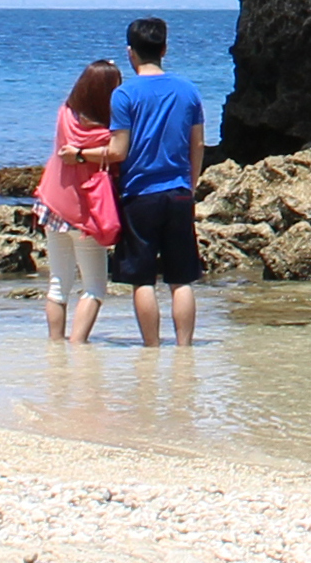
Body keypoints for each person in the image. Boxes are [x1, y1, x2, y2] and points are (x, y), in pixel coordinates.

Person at [107, 19, 208, 345]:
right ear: (164, 49)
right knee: (181, 280)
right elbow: (198, 144)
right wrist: (191, 184)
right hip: (178, 192)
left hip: (140, 195)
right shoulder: (188, 90)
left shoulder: (124, 95)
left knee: (143, 280)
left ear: (129, 53)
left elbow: (119, 150)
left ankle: (151, 347)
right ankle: (184, 348)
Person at [38, 60, 127, 344]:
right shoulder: (106, 134)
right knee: (94, 288)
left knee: (58, 283)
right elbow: (118, 154)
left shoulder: (64, 115)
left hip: (52, 204)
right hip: (88, 214)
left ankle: (55, 345)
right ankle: (78, 345)